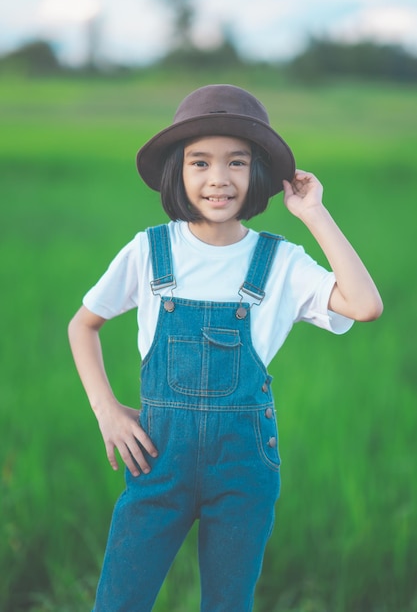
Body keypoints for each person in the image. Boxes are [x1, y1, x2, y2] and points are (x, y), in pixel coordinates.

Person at [68, 84, 383, 612]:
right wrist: (106, 410)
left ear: (257, 172)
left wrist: (313, 213)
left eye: (237, 162)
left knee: (227, 603)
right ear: (178, 171)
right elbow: (84, 324)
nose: (219, 178)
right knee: (118, 601)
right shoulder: (150, 251)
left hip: (243, 470)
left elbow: (365, 304)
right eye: (200, 163)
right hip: (157, 463)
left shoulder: (280, 262)